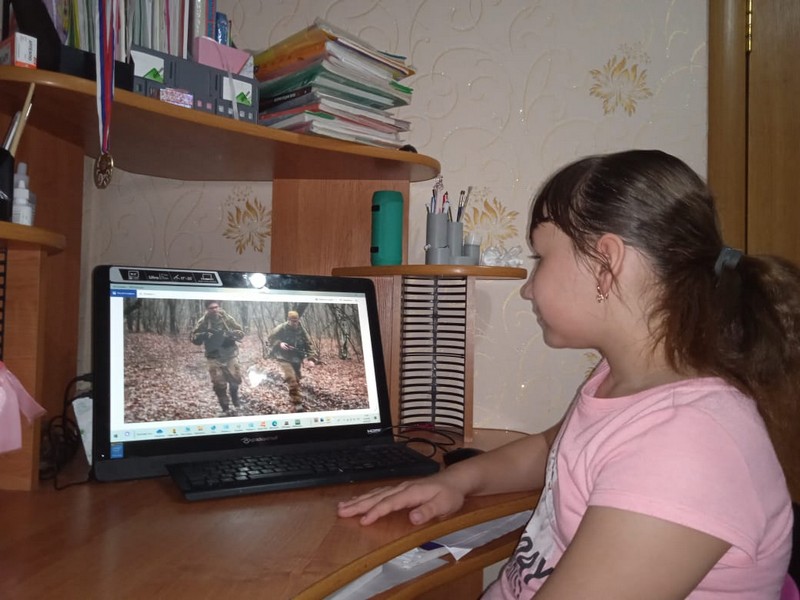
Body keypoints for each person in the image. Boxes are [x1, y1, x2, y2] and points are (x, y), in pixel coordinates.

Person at [337, 150, 797, 598]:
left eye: (540, 257)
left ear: (607, 263)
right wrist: (455, 482)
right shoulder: (622, 379)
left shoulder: (690, 445)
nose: (527, 289)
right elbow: (552, 449)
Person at [191, 300, 244, 416]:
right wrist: (204, 335)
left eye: (216, 307)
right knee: (219, 384)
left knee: (235, 381)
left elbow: (241, 332)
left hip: (230, 354)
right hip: (213, 356)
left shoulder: (227, 319)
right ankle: (225, 407)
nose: (214, 310)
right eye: (211, 308)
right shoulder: (203, 322)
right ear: (207, 309)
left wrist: (231, 334)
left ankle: (235, 398)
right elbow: (194, 338)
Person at [267, 310, 318, 405]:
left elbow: (308, 344)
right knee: (291, 378)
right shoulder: (281, 328)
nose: (295, 323)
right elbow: (270, 338)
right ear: (288, 320)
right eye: (293, 321)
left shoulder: (301, 330)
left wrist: (311, 358)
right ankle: (297, 402)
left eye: (296, 321)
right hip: (283, 356)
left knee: (297, 379)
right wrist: (280, 343)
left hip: (296, 357)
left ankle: (293, 396)